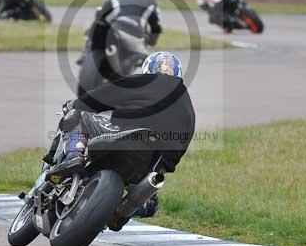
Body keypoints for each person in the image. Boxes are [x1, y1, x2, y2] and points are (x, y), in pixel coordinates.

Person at [47, 51, 195, 217]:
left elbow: (103, 96)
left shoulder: (144, 80)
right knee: (149, 199)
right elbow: (183, 143)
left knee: (76, 116)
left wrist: (76, 104)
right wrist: (162, 167)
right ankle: (133, 208)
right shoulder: (188, 105)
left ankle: (74, 156)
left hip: (126, 137)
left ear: (148, 68)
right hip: (153, 162)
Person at [77, 0, 163, 67]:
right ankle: (135, 59)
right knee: (143, 59)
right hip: (135, 34)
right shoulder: (150, 0)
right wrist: (152, 41)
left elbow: (100, 14)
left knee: (93, 29)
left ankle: (85, 53)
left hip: (114, 29)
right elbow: (156, 26)